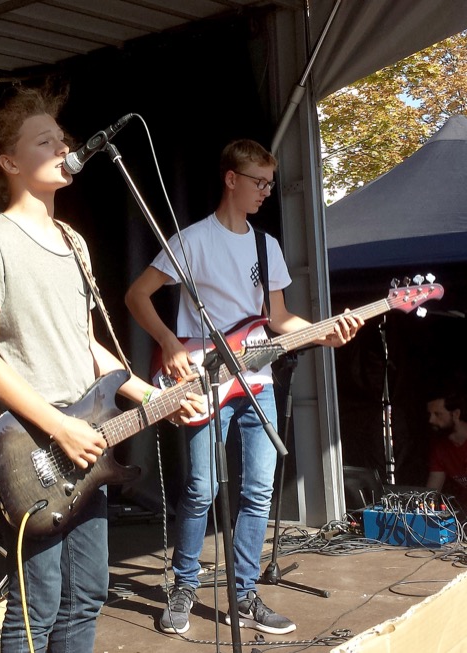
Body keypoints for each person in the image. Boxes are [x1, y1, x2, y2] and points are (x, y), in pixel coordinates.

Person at [0, 86, 202, 653]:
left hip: (87, 441)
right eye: (45, 140)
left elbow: (90, 347)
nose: (63, 147)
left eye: (61, 138)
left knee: (86, 594)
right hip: (35, 443)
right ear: (11, 162)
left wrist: (155, 396)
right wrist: (59, 425)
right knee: (35, 605)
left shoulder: (74, 241)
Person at [125, 139, 363, 636]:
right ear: (231, 179)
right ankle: (184, 587)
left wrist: (327, 332)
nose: (266, 191)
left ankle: (245, 593)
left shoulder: (267, 245)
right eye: (258, 181)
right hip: (203, 377)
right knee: (202, 488)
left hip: (257, 379)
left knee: (257, 490)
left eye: (271, 184)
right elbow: (136, 295)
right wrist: (169, 343)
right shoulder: (191, 241)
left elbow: (277, 319)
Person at [425, 388, 467, 508]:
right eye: (430, 414)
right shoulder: (440, 448)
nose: (431, 420)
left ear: (456, 414)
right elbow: (431, 493)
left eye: (437, 414)